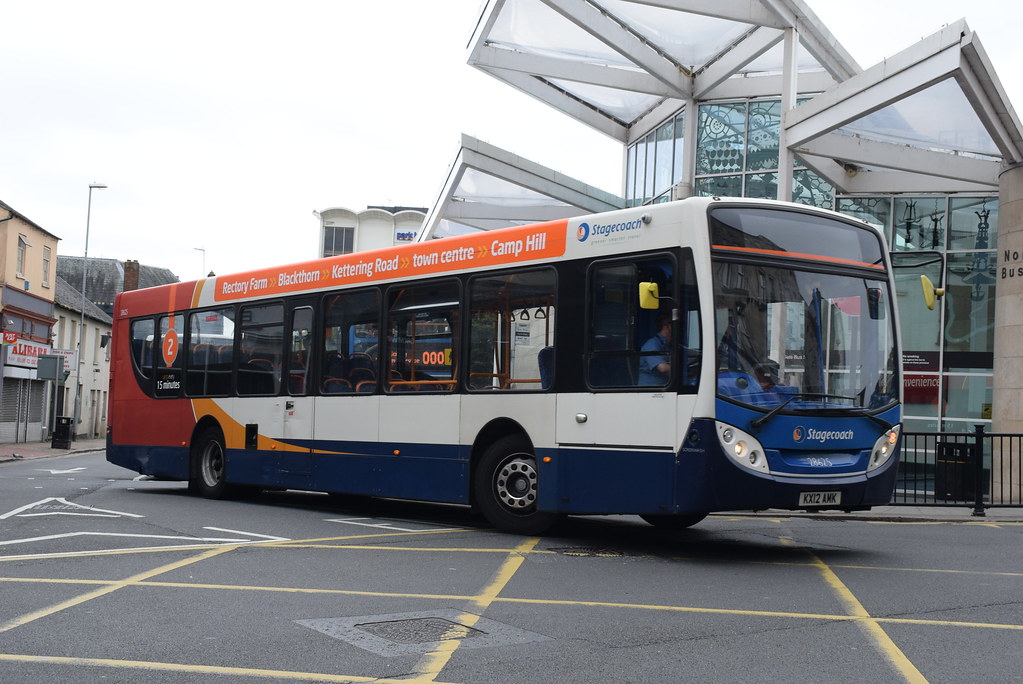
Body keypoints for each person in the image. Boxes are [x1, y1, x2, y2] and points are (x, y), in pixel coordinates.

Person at [638, 314, 672, 385]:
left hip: (663, 387)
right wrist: (682, 369)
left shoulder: (666, 345)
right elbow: (662, 368)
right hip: (650, 390)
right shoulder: (651, 344)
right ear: (667, 327)